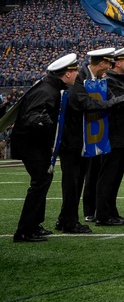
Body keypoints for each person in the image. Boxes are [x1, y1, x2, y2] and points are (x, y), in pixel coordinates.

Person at [10, 54, 78, 242]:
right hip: (32, 144)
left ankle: (34, 225)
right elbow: (34, 118)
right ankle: (24, 230)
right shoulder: (48, 90)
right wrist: (49, 127)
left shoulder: (50, 87)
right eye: (75, 71)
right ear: (67, 73)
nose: (77, 74)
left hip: (35, 143)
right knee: (40, 181)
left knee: (43, 179)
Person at [61, 48, 120, 230]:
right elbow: (83, 102)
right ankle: (69, 221)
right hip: (73, 138)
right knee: (73, 182)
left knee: (77, 181)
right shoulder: (80, 78)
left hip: (86, 139)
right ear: (102, 63)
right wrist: (108, 104)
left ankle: (65, 219)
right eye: (108, 65)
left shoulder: (96, 79)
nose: (108, 69)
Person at [94, 46, 124, 226]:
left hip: (123, 135)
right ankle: (103, 215)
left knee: (115, 177)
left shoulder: (120, 80)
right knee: (108, 176)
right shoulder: (110, 81)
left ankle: (111, 212)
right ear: (118, 62)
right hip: (114, 136)